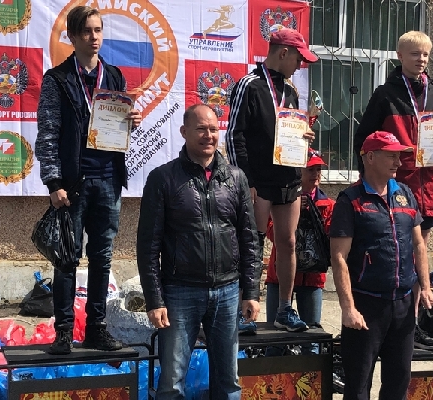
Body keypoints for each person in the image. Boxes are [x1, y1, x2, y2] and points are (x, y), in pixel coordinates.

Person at [35, 5, 142, 355]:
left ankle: (96, 328)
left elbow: (115, 131)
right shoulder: (57, 79)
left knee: (102, 258)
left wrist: (130, 123)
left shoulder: (114, 76)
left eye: (98, 30)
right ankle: (64, 332)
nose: (94, 37)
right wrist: (54, 183)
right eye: (86, 31)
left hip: (109, 178)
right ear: (72, 36)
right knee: (67, 259)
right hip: (73, 183)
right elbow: (47, 133)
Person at [136, 104, 262, 399]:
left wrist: (251, 292)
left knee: (229, 383)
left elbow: (249, 239)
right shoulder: (163, 179)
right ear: (184, 132)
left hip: (228, 293)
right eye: (201, 129)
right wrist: (155, 300)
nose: (209, 135)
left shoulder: (236, 178)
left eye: (214, 129)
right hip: (180, 293)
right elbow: (148, 245)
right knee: (172, 384)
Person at [353, 30, 433, 350]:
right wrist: (370, 184)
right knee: (397, 257)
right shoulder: (385, 95)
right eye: (414, 54)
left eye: (425, 54)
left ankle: (411, 326)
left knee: (417, 257)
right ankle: (395, 325)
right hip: (397, 186)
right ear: (400, 56)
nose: (421, 59)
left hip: (428, 186)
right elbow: (363, 141)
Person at [330, 131, 433, 399]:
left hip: (403, 304)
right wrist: (348, 308)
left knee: (398, 382)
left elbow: (419, 244)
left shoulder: (405, 194)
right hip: (366, 305)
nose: (398, 162)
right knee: (358, 385)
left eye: (399, 156)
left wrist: (425, 287)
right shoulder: (350, 200)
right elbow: (339, 257)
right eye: (391, 156)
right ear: (370, 157)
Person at [225, 28, 318, 332]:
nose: (300, 65)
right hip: (258, 180)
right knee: (251, 243)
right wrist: (245, 180)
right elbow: (234, 134)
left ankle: (284, 309)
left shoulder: (290, 91)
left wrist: (304, 137)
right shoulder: (249, 85)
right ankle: (243, 310)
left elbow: (288, 131)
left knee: (288, 242)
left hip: (288, 177)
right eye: (298, 59)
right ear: (283, 53)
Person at [265, 149, 335, 330]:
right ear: (298, 172)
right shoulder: (282, 201)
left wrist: (312, 214)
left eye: (319, 169)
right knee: (273, 334)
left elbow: (330, 238)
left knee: (311, 334)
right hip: (279, 278)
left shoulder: (328, 205)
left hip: (312, 277)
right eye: (310, 169)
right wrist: (294, 213)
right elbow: (272, 233)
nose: (316, 174)